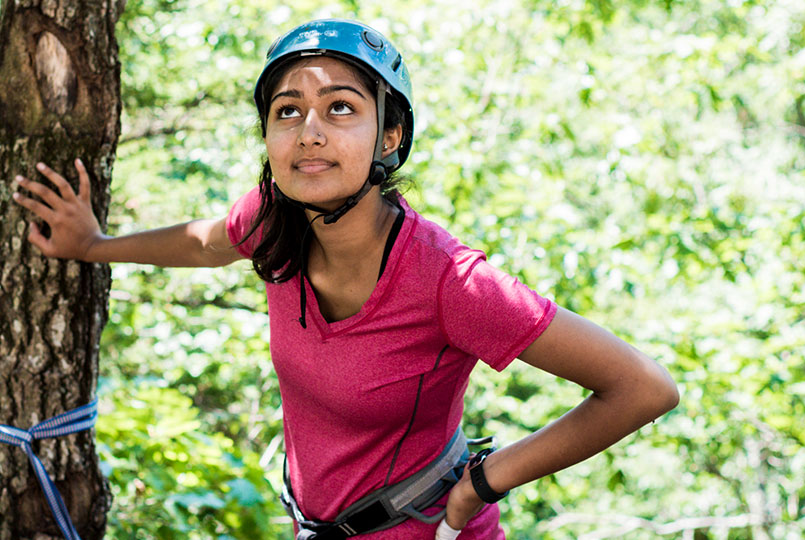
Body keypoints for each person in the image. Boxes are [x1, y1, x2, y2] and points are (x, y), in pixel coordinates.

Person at [12, 19, 679, 540]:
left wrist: (487, 479)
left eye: (340, 109)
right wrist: (94, 245)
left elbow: (642, 388)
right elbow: (206, 243)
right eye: (287, 111)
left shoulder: (450, 282)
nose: (309, 132)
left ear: (389, 137)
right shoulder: (274, 220)